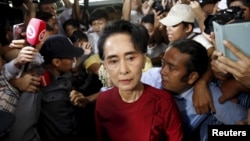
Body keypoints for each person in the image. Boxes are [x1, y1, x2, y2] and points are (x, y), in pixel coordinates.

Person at [95, 20, 183, 141]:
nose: (123, 70)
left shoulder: (163, 102)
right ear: (104, 65)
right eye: (114, 61)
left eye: (131, 58)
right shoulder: (103, 101)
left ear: (144, 60)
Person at [142, 39, 247, 140]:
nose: (163, 71)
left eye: (171, 68)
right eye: (163, 63)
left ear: (192, 77)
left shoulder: (209, 97)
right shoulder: (153, 77)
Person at [159, 3, 216, 114]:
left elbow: (214, 60)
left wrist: (202, 83)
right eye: (167, 25)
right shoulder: (175, 42)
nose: (168, 29)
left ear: (188, 28)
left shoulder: (200, 41)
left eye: (174, 25)